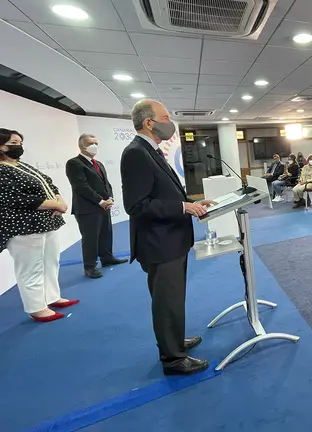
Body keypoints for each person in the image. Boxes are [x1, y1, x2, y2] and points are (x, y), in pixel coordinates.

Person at [120, 99, 214, 375]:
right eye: (164, 117)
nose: (169, 121)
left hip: (171, 239)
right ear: (149, 122)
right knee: (166, 302)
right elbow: (136, 205)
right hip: (159, 244)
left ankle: (174, 340)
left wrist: (192, 202)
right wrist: (182, 207)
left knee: (173, 300)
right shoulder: (136, 152)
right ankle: (173, 358)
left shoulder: (151, 150)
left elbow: (163, 192)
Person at [0, 128, 78, 322]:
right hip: (23, 226)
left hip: (46, 223)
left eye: (19, 142)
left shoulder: (20, 165)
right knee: (30, 268)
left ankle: (52, 296)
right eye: (13, 143)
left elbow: (49, 184)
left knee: (50, 262)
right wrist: (54, 204)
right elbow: (15, 198)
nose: (18, 147)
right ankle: (36, 307)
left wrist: (58, 199)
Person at [65, 133, 127, 278]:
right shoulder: (74, 163)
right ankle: (90, 266)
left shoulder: (98, 163)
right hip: (87, 209)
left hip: (104, 206)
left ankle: (107, 258)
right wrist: (100, 201)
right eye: (91, 143)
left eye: (96, 143)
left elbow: (106, 183)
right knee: (91, 238)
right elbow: (81, 186)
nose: (95, 146)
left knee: (106, 233)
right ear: (82, 146)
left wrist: (109, 198)